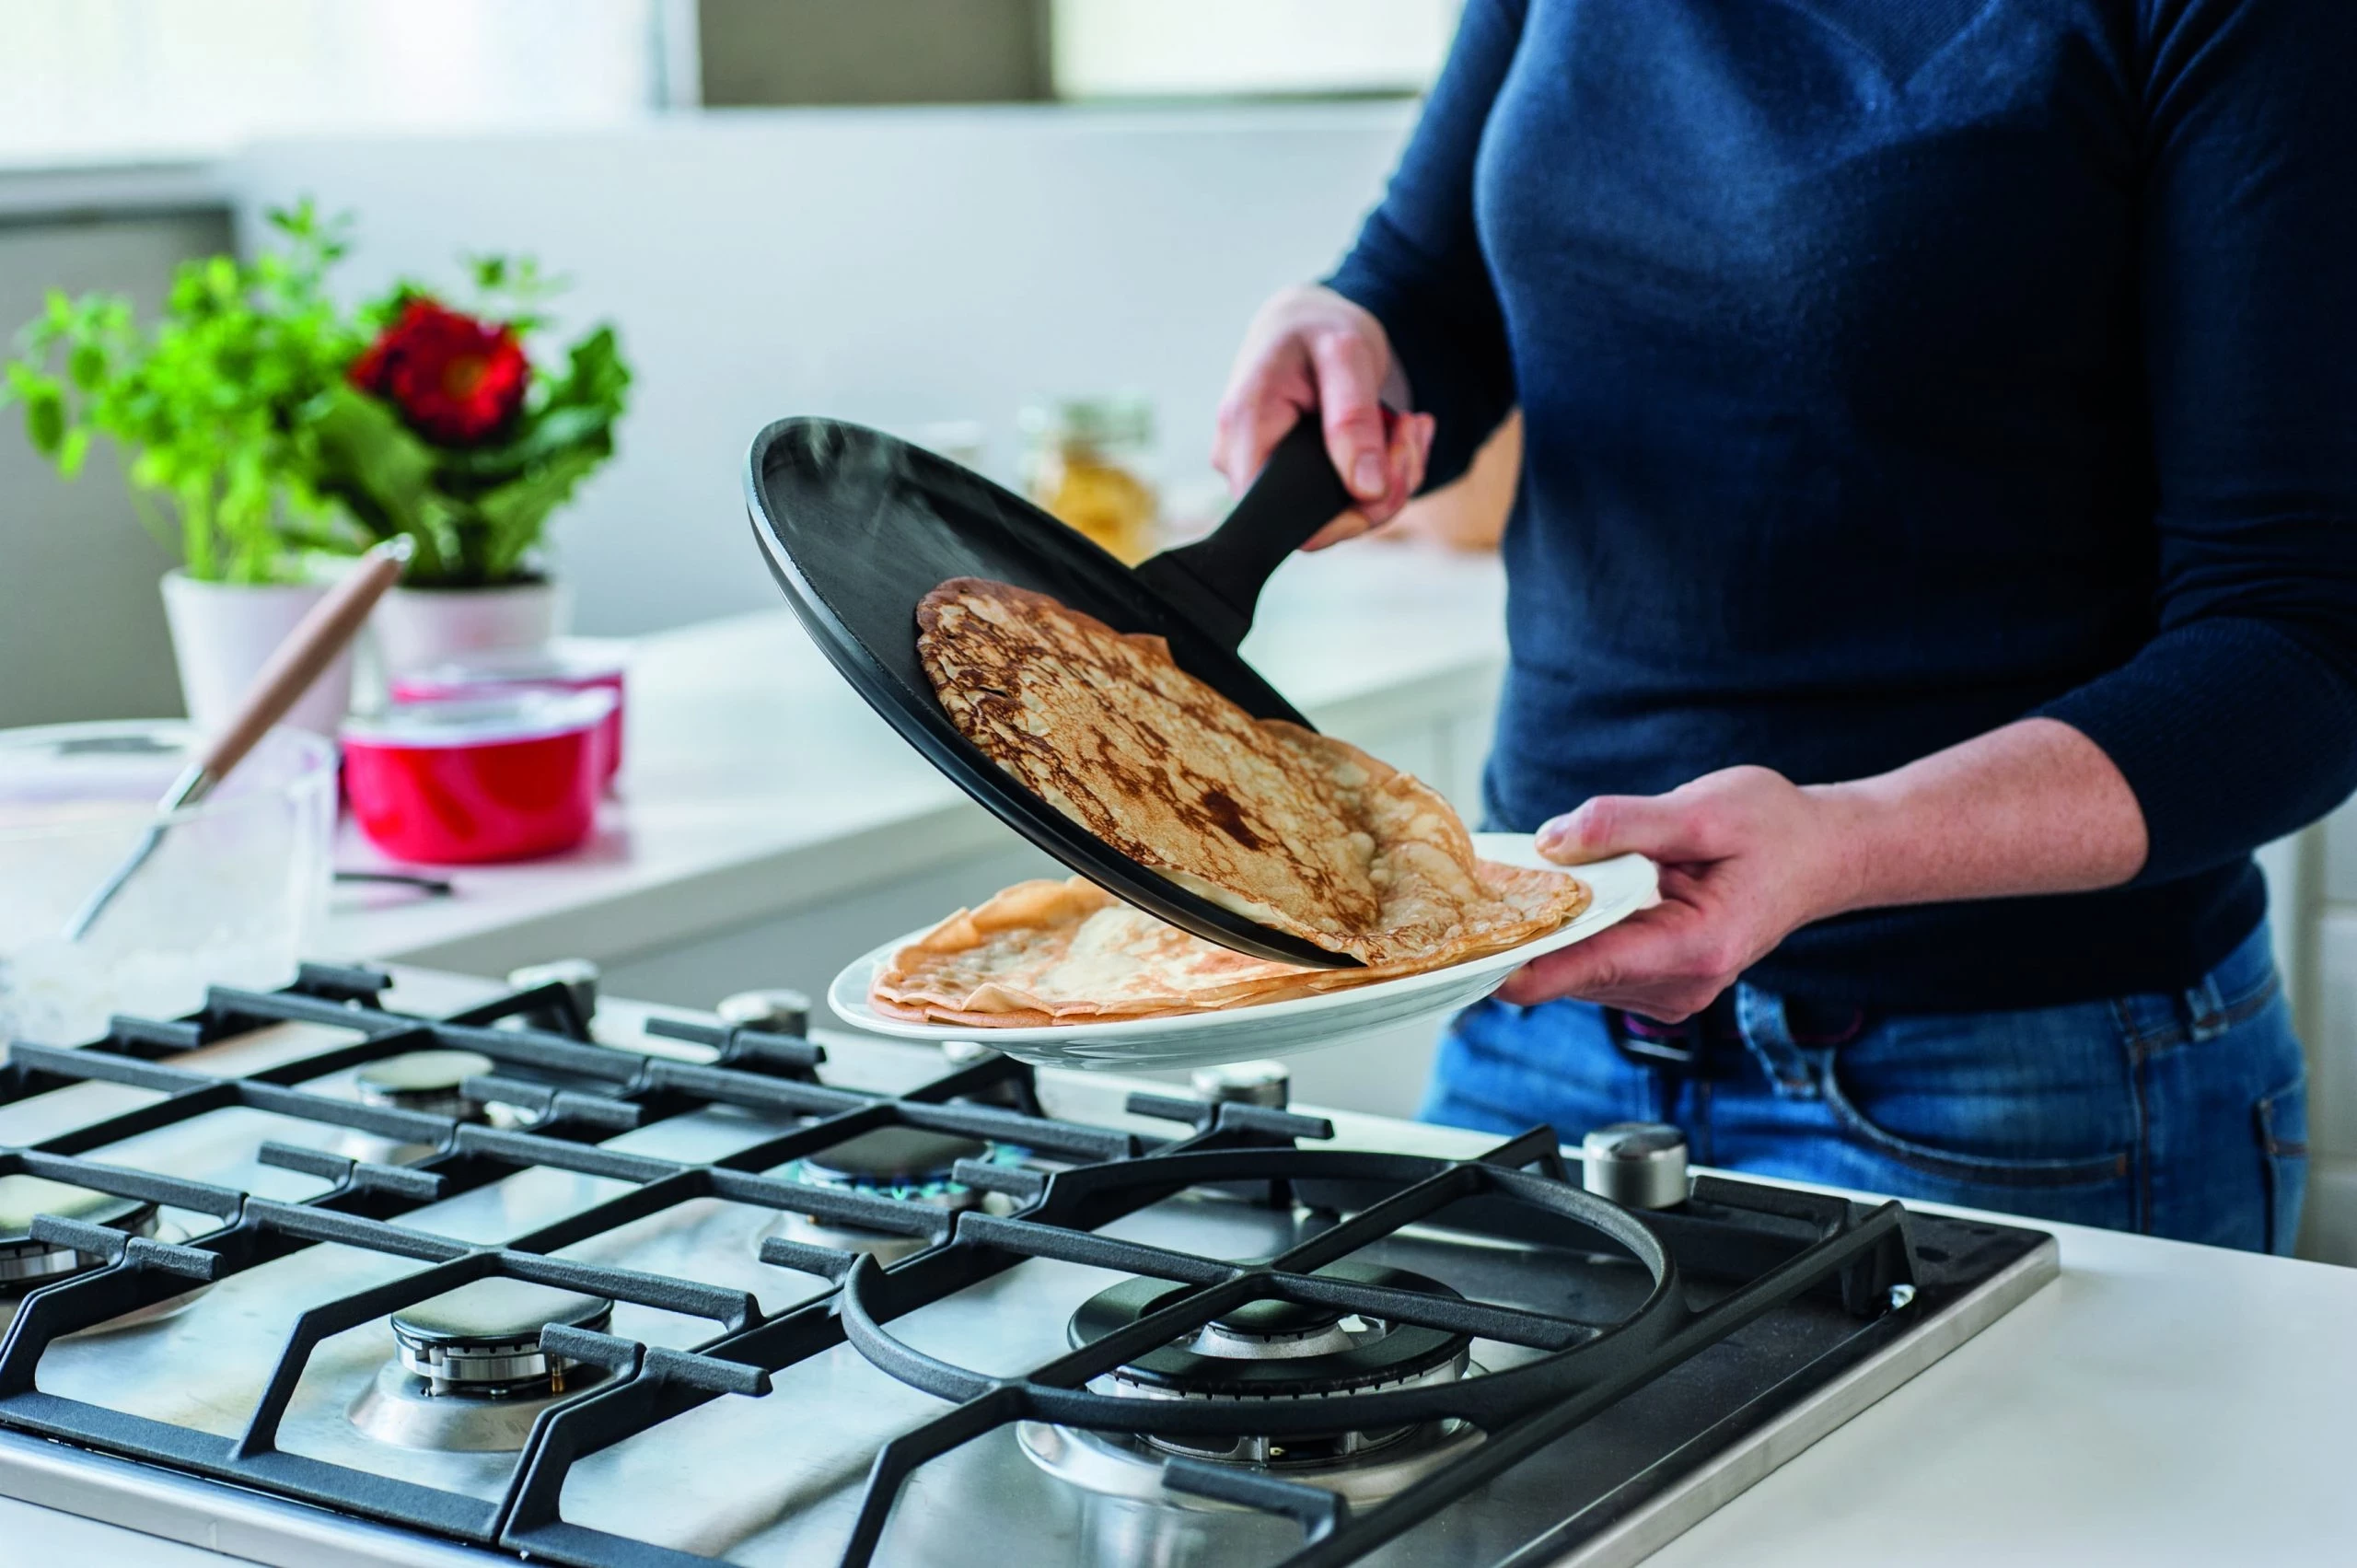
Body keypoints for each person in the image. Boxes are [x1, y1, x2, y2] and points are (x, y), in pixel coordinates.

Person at [1212, 0, 2356, 1254]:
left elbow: (2300, 645)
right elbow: (1432, 290)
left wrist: (1845, 843)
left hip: (2012, 1085)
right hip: (1536, 1021)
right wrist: (1348, 337)